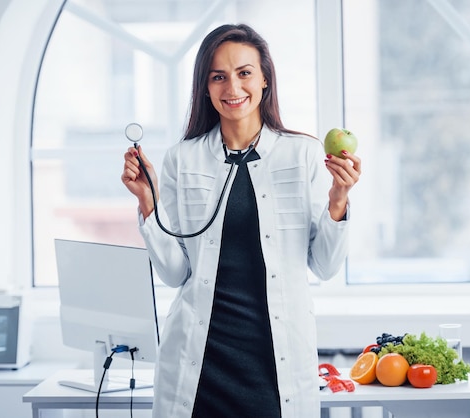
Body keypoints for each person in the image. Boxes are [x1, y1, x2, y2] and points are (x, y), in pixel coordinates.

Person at [121, 23, 361, 418]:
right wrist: (149, 203)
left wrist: (338, 199)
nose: (232, 88)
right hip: (200, 366)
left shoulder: (302, 155)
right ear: (205, 86)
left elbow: (325, 265)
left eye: (244, 72)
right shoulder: (183, 159)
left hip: (273, 366)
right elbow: (174, 272)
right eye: (218, 77)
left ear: (265, 78)